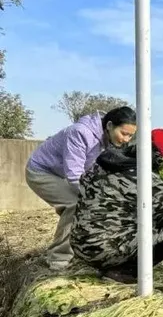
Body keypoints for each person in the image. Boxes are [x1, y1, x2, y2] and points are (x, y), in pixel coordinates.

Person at [70, 128, 163, 283]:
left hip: (79, 244)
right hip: (104, 250)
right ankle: (125, 272)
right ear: (158, 159)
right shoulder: (146, 178)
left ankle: (112, 264)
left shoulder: (102, 162)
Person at [26, 107, 137, 270]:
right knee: (76, 204)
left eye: (131, 135)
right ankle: (59, 259)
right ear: (110, 125)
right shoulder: (80, 133)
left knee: (91, 205)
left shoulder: (110, 140)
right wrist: (96, 196)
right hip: (42, 172)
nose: (126, 139)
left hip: (63, 173)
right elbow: (74, 175)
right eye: (124, 133)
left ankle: (83, 250)